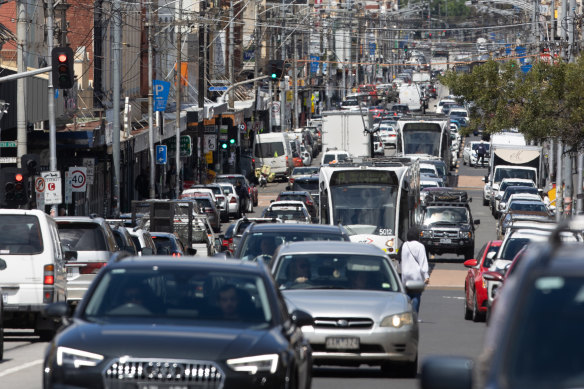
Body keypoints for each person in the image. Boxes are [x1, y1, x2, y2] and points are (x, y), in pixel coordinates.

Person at [400, 226, 430, 315]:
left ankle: (406, 314)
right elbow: (423, 262)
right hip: (416, 275)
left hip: (405, 275)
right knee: (416, 295)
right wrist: (426, 276)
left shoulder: (404, 245)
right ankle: (415, 315)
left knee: (407, 295)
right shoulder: (420, 246)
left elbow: (400, 260)